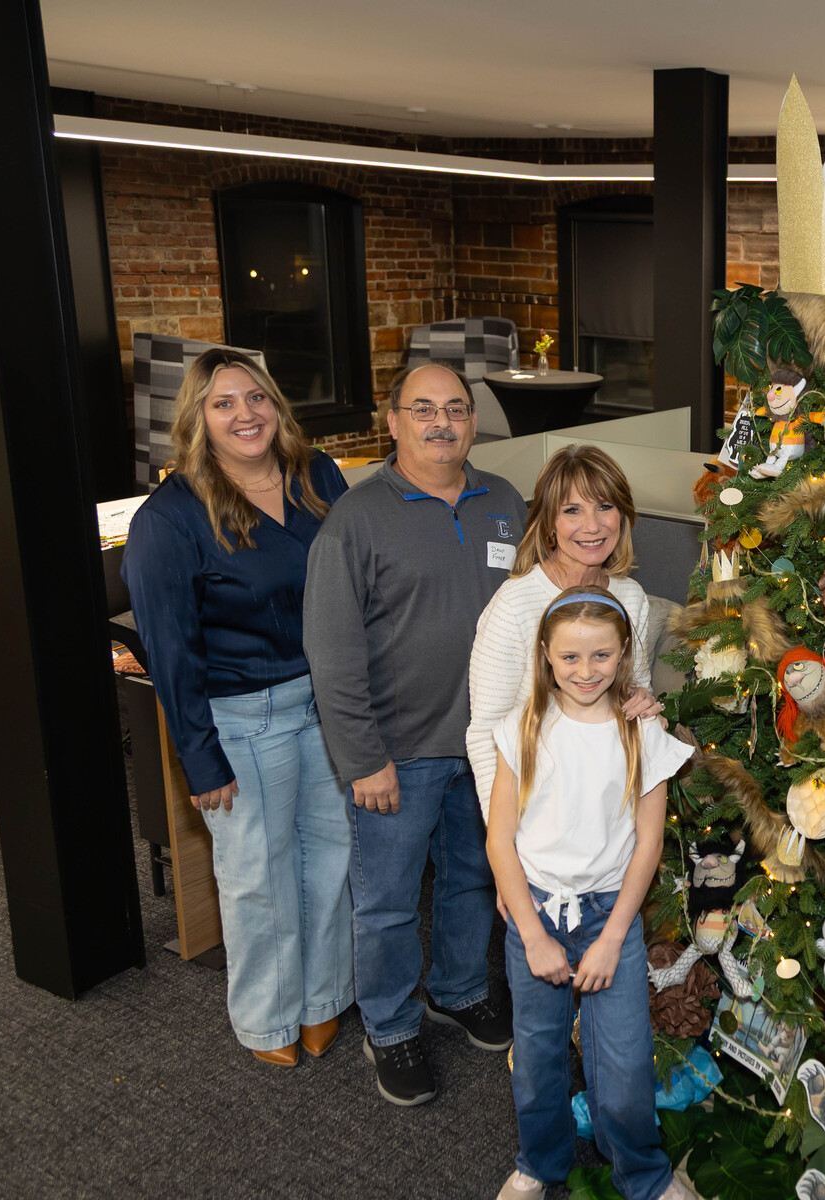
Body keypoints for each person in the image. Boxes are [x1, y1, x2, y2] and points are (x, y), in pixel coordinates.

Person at [303, 361, 528, 1107]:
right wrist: (361, 758)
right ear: (393, 421)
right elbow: (331, 651)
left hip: (487, 748)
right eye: (423, 409)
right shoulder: (357, 519)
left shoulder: (504, 501)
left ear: (473, 421)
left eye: (455, 408)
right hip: (396, 753)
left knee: (473, 878)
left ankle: (458, 990)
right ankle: (391, 1026)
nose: (442, 423)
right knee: (388, 902)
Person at [123, 348, 352, 1068]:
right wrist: (198, 755)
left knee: (332, 857)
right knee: (258, 876)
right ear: (198, 417)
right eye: (223, 403)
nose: (246, 414)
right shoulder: (170, 518)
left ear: (276, 405)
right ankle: (267, 1016)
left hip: (328, 704)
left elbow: (355, 586)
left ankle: (323, 996)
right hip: (243, 719)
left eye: (256, 397)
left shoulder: (318, 476)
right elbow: (169, 649)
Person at [485, 585, 696, 1200]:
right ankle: (538, 1163)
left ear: (624, 651)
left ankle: (644, 1174)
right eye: (570, 657)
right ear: (546, 655)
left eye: (601, 655)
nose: (586, 671)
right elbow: (500, 840)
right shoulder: (521, 729)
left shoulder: (641, 732)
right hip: (536, 914)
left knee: (625, 1061)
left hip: (612, 917)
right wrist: (531, 934)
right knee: (537, 1057)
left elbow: (649, 844)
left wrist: (611, 939)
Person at [466, 444, 659, 807]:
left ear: (623, 516)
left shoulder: (631, 597)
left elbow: (634, 694)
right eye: (572, 510)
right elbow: (486, 734)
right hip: (536, 808)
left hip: (608, 805)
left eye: (605, 506)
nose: (592, 526)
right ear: (549, 523)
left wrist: (644, 705)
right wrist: (506, 829)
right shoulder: (515, 603)